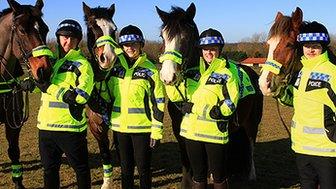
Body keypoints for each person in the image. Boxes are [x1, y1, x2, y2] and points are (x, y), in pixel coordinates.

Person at [21, 19, 94, 189]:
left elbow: (81, 97)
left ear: (77, 41)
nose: (66, 41)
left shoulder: (83, 65)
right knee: (49, 170)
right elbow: (45, 88)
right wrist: (33, 86)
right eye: (62, 37)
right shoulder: (54, 63)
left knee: (81, 169)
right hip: (46, 127)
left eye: (71, 38)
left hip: (70, 129)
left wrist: (49, 88)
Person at [276, 21, 336, 189]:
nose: (310, 50)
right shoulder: (302, 72)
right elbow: (297, 100)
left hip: (327, 149)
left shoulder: (333, 71)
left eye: (315, 46)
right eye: (306, 46)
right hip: (302, 147)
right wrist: (280, 93)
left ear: (323, 47)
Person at [179, 28, 240, 189]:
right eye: (206, 49)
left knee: (219, 177)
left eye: (213, 49)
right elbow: (178, 94)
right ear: (201, 50)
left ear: (219, 49)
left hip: (214, 133)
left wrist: (219, 111)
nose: (209, 52)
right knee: (198, 176)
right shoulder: (191, 72)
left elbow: (231, 101)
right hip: (191, 133)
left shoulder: (227, 72)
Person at [109, 25, 165, 189]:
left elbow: (159, 103)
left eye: (134, 44)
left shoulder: (150, 70)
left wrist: (156, 131)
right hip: (119, 129)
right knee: (125, 170)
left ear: (141, 44)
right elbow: (108, 95)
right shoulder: (115, 68)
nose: (130, 48)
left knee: (143, 170)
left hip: (142, 130)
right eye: (126, 45)